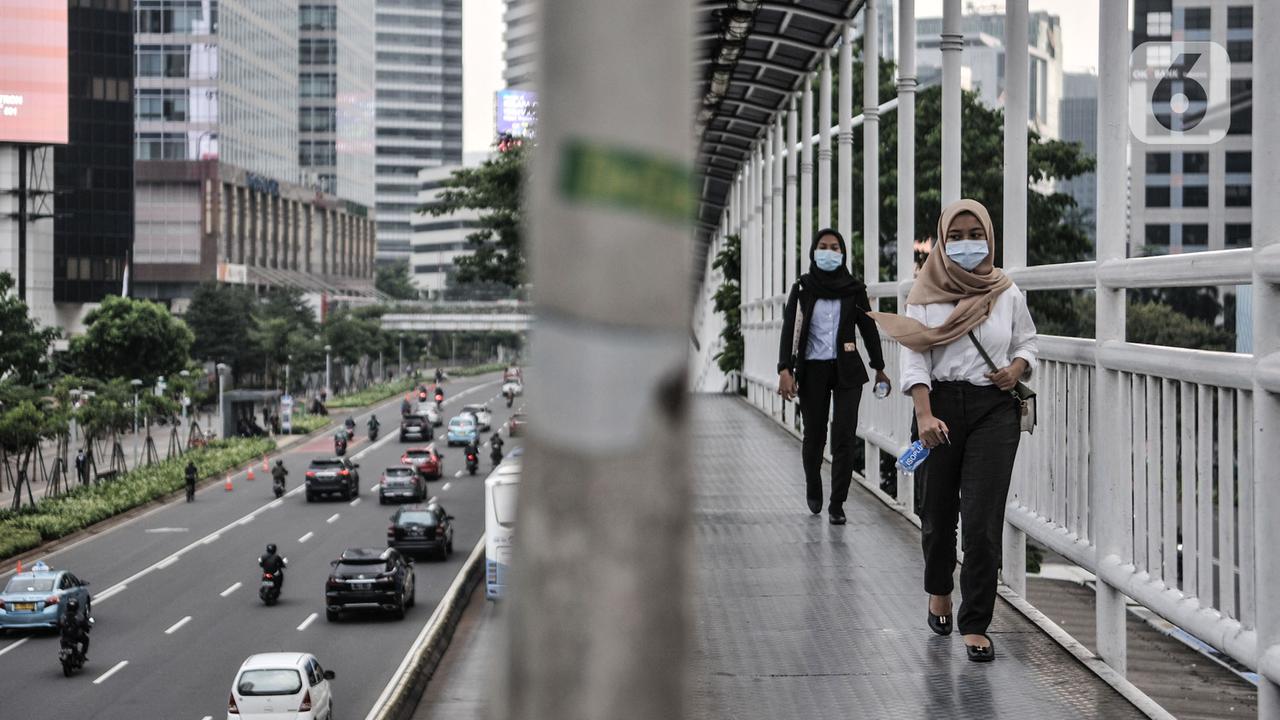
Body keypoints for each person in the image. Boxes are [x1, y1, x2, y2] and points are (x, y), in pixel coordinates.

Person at [869, 199, 1038, 663]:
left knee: (982, 520)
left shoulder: (1006, 291)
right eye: (956, 236)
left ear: (990, 237)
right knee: (938, 513)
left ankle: (976, 622)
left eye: (975, 234)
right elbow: (914, 356)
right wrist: (924, 415)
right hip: (937, 407)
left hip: (993, 410)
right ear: (941, 242)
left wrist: (1016, 368)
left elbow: (1026, 340)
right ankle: (939, 589)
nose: (967, 244)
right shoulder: (924, 294)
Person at [776, 228, 890, 525]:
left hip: (847, 370)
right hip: (812, 369)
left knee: (844, 436)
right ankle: (813, 484)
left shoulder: (854, 289)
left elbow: (868, 328)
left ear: (843, 253)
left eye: (835, 247)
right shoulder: (803, 288)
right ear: (814, 252)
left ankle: (837, 503)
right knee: (814, 435)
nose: (829, 252)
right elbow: (789, 329)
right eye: (823, 246)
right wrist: (784, 368)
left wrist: (879, 367)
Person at [59, 597, 91, 662]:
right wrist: (87, 628)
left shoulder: (63, 615)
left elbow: (59, 624)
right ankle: (82, 654)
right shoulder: (79, 615)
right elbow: (84, 624)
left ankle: (78, 655)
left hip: (66, 637)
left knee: (63, 641)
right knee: (86, 639)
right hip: (75, 636)